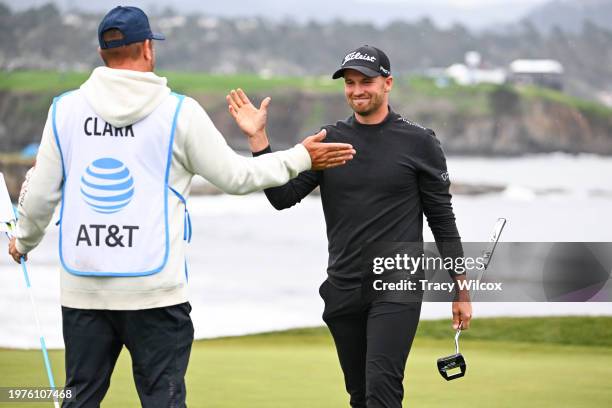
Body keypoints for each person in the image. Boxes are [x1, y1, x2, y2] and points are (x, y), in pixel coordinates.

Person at [7, 6, 355, 407]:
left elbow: (39, 196)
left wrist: (23, 241)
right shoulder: (178, 113)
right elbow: (237, 177)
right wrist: (301, 157)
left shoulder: (64, 110)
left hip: (84, 291)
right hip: (155, 294)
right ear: (148, 50)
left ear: (102, 54)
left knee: (80, 399)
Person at [227, 45, 472, 407]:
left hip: (397, 283)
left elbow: (441, 219)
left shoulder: (420, 142)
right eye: (350, 83)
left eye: (366, 81)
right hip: (343, 285)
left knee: (382, 393)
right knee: (360, 396)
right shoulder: (329, 140)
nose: (357, 90)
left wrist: (461, 287)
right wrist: (258, 141)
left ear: (387, 83)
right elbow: (283, 197)